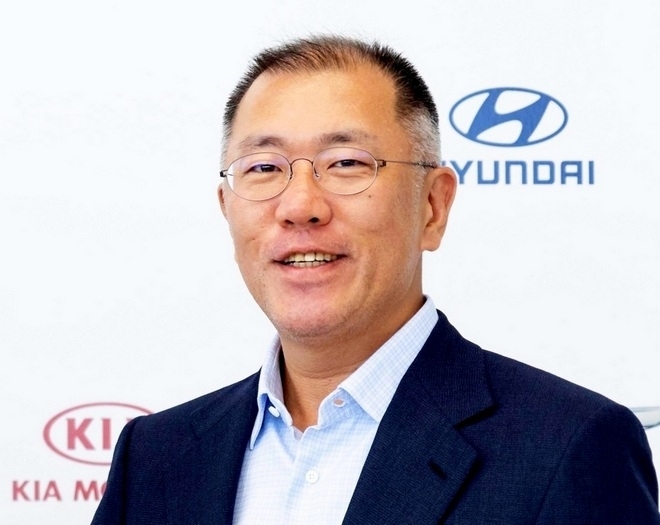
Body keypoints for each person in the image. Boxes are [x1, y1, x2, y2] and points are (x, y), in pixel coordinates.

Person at [91, 34, 659, 524]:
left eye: (346, 163)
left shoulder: (568, 446)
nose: (300, 206)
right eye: (263, 168)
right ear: (226, 206)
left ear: (433, 206)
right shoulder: (156, 457)